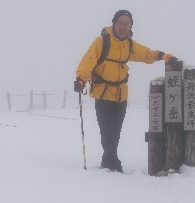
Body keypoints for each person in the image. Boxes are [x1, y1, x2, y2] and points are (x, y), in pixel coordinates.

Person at [75, 9, 177, 172]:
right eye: (120, 23)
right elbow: (89, 60)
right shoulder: (102, 41)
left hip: (121, 94)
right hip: (103, 92)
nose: (123, 27)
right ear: (114, 24)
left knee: (116, 130)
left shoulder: (129, 44)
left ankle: (109, 160)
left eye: (126, 24)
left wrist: (161, 55)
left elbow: (145, 54)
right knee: (106, 129)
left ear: (130, 26)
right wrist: (81, 78)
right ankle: (112, 161)